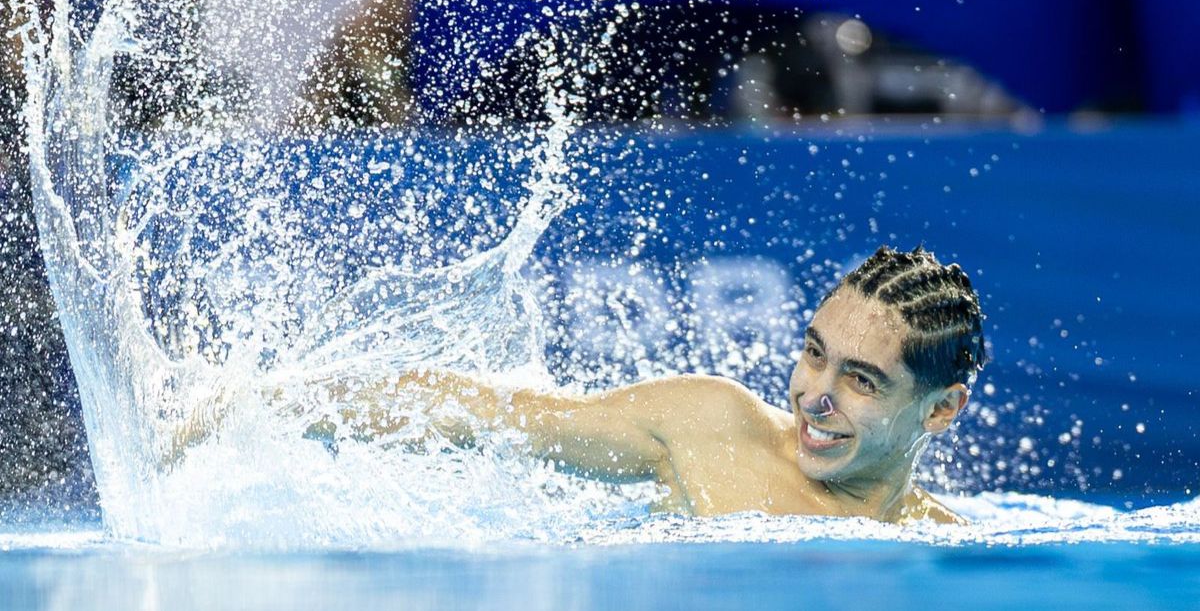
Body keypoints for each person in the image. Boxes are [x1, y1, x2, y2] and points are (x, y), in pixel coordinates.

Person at [172, 245, 988, 524]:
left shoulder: (938, 551)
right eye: (813, 354)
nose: (815, 395)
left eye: (860, 381)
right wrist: (253, 406)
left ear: (942, 409)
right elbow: (482, 415)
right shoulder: (709, 428)